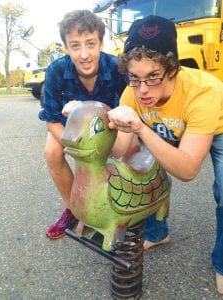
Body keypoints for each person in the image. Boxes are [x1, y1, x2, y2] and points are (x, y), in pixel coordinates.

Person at [107, 15, 223, 294]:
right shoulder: (131, 92)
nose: (143, 90)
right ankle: (158, 234)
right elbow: (121, 150)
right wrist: (104, 128)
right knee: (137, 168)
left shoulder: (204, 92)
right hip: (162, 127)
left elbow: (187, 170)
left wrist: (142, 130)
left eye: (152, 77)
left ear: (172, 69)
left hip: (216, 128)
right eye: (134, 77)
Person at [38, 9, 126, 240]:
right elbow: (51, 119)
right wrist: (77, 149)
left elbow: (126, 114)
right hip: (70, 128)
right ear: (66, 47)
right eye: (75, 46)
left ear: (101, 43)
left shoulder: (118, 68)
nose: (84, 54)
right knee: (51, 152)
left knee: (127, 150)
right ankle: (75, 209)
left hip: (108, 126)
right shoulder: (56, 70)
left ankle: (124, 206)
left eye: (90, 44)